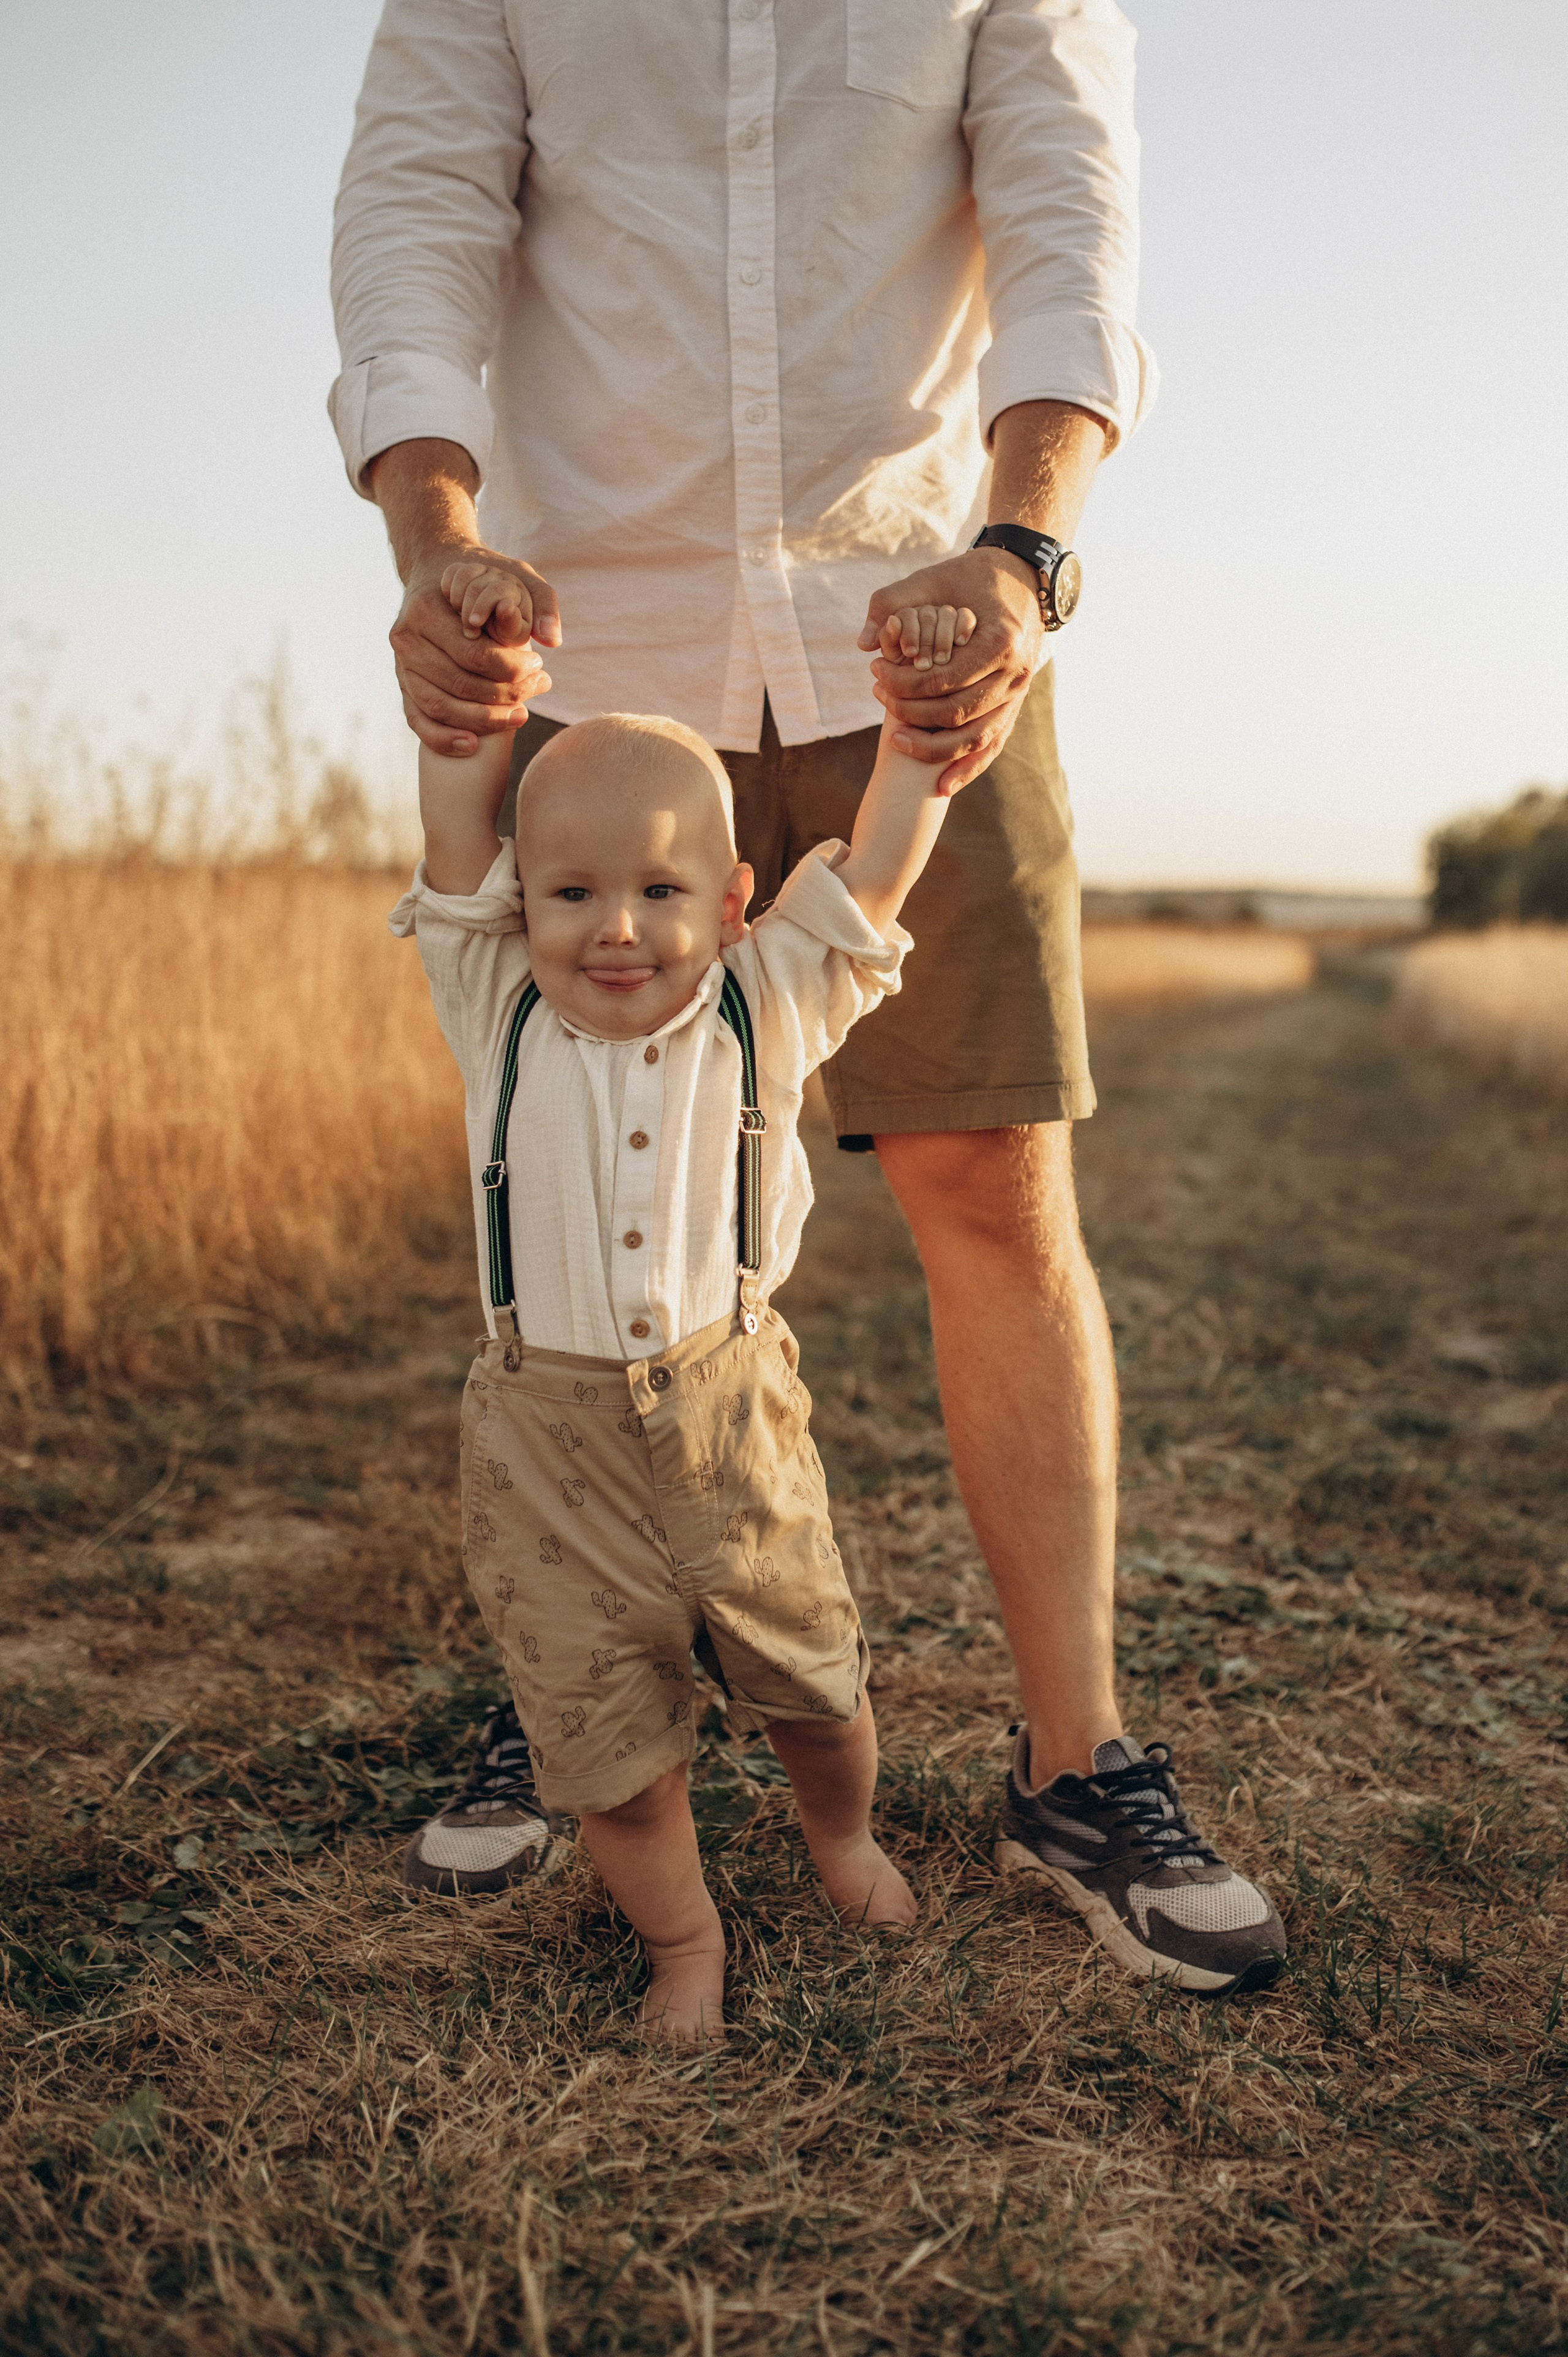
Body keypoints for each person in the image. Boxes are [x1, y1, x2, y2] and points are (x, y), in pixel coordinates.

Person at [334, 0, 1287, 1994]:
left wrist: (1023, 550)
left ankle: (1074, 1759)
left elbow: (1065, 218)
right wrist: (436, 537)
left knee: (994, 1183)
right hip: (578, 644)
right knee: (562, 1172)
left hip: (923, 635)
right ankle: (576, 1691)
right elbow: (419, 208)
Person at [391, 569, 981, 2040]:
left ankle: (838, 1839)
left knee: (807, 1675)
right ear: (521, 901)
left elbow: (882, 880)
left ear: (729, 904)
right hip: (547, 1433)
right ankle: (683, 1945)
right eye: (571, 891)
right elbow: (456, 822)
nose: (613, 929)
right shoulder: (493, 1000)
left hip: (728, 1409)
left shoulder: (765, 998)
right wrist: (481, 688)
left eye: (659, 892)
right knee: (603, 1730)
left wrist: (912, 749)